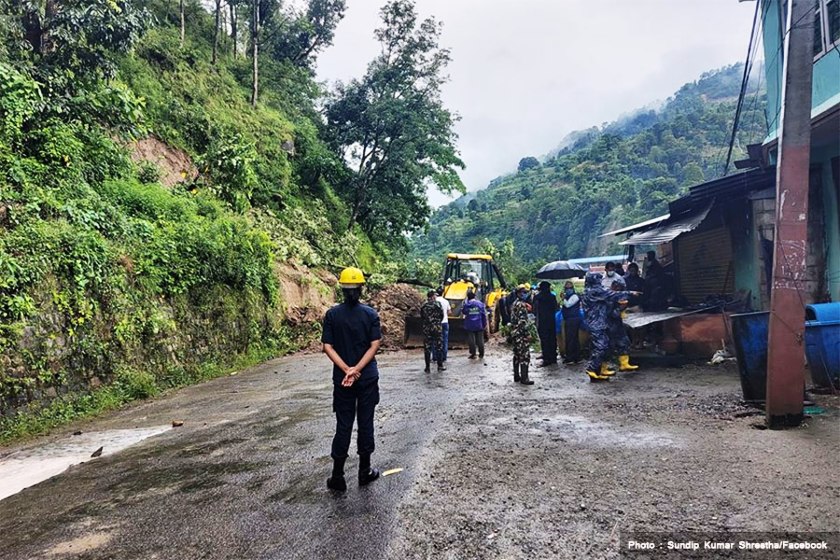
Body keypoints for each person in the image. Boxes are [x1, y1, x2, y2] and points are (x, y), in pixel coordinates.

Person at [322, 267, 382, 492]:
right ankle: (364, 471)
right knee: (365, 422)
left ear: (342, 289)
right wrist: (357, 368)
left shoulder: (332, 315)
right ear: (361, 288)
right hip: (366, 378)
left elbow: (327, 346)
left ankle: (338, 476)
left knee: (343, 424)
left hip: (343, 380)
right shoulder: (370, 314)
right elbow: (375, 344)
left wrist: (347, 369)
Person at [582, 272, 636, 383]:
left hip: (600, 323)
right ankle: (591, 368)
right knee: (601, 346)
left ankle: (600, 370)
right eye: (599, 279)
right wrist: (630, 293)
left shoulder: (592, 291)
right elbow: (612, 295)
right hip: (597, 324)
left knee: (605, 346)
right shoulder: (594, 291)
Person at [609, 279, 639, 372]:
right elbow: (611, 313)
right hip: (609, 324)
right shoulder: (608, 297)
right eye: (617, 288)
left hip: (618, 324)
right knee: (609, 346)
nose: (618, 290)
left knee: (624, 342)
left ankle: (624, 364)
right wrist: (620, 308)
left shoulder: (619, 296)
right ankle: (606, 365)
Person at [510, 284, 534, 385]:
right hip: (521, 334)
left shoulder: (515, 303)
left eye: (525, 292)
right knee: (524, 356)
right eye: (523, 292)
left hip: (515, 333)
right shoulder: (521, 305)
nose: (525, 294)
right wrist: (527, 334)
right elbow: (522, 322)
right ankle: (524, 378)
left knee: (516, 354)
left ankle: (517, 376)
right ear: (518, 293)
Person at [533, 281, 558, 366]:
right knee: (552, 339)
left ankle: (546, 359)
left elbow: (534, 309)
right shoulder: (553, 297)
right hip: (551, 321)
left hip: (542, 322)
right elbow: (556, 308)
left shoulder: (537, 297)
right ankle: (553, 358)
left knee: (544, 340)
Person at [420, 290, 445, 373]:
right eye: (435, 295)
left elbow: (422, 316)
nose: (436, 297)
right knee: (439, 346)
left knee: (427, 347)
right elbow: (442, 315)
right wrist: (437, 322)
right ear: (432, 296)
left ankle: (427, 367)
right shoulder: (438, 304)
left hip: (427, 328)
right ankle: (440, 366)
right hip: (437, 327)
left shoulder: (424, 305)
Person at [461, 289, 488, 360]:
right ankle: (481, 354)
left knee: (471, 340)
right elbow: (483, 314)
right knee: (480, 340)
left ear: (468, 297)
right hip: (479, 324)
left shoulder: (467, 305)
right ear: (474, 297)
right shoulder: (480, 304)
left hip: (470, 324)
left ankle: (473, 354)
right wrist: (484, 324)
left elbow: (464, 312)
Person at [561, 281, 582, 365]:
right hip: (569, 319)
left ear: (573, 288)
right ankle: (575, 356)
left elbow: (568, 305)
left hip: (573, 319)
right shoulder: (568, 296)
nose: (568, 289)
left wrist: (563, 299)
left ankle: (571, 357)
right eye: (566, 288)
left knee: (571, 338)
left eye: (570, 288)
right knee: (572, 338)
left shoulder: (575, 296)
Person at [432, 287, 451, 364]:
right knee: (445, 340)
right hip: (445, 322)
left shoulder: (434, 301)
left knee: (434, 340)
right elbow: (449, 312)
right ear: (443, 293)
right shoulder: (446, 301)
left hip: (435, 323)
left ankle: (435, 357)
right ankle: (444, 357)